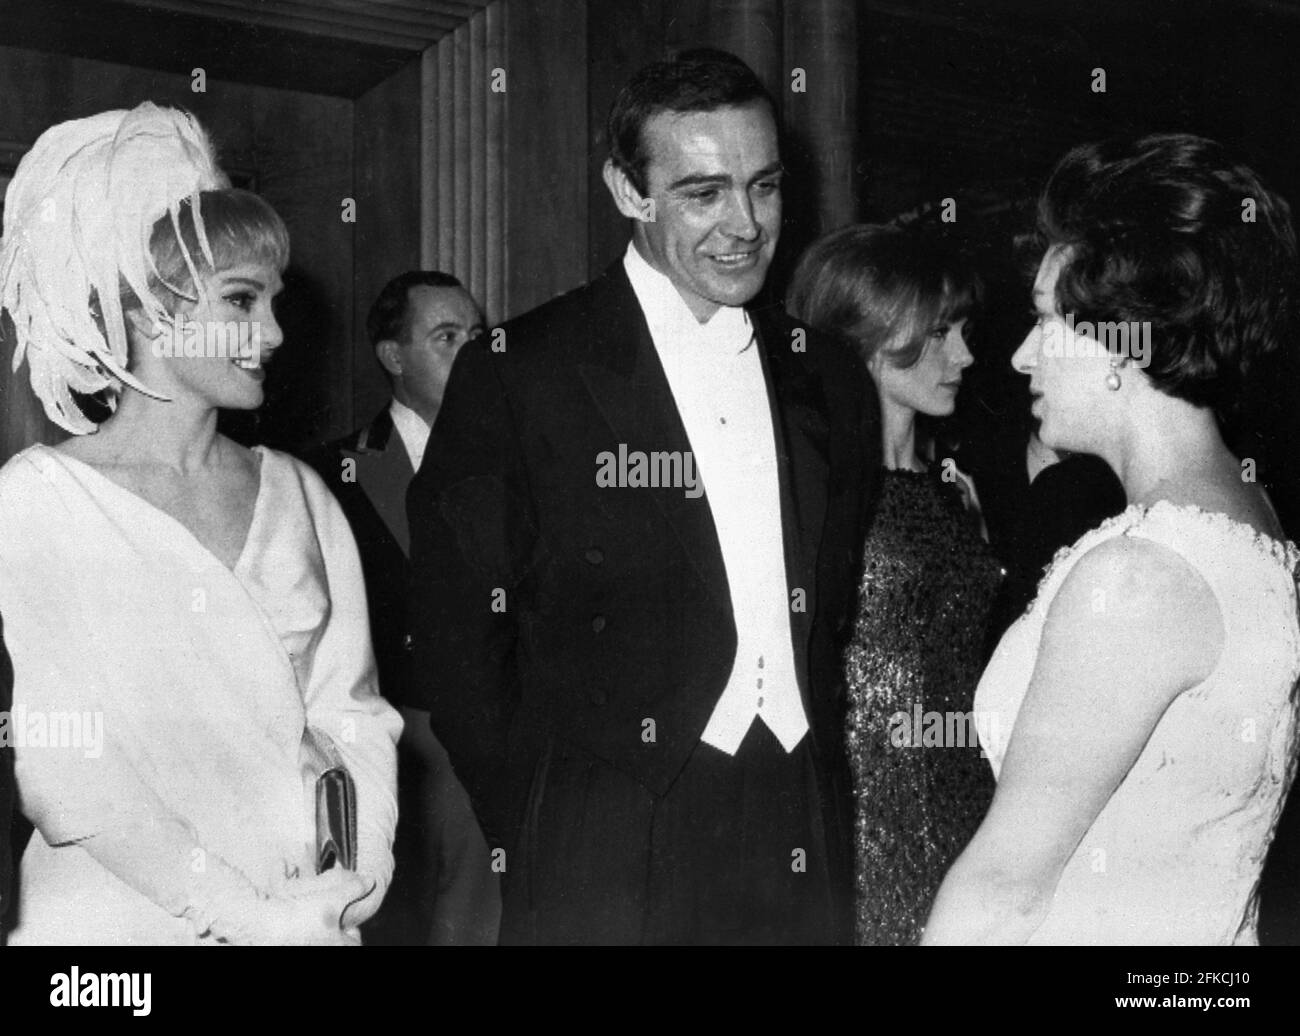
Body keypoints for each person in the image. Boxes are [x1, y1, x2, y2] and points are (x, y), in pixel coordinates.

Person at [407, 49, 879, 945]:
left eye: (766, 187)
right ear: (629, 193)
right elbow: (459, 639)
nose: (745, 224)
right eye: (703, 193)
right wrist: (553, 822)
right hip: (605, 843)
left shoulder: (830, 376)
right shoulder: (523, 373)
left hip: (795, 824)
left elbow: (831, 612)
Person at [0, 103, 400, 945]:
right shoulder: (40, 501)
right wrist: (243, 918)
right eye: (243, 300)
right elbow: (65, 765)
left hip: (305, 919)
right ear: (148, 309)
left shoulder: (301, 493)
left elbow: (354, 716)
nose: (276, 332)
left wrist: (354, 884)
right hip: (116, 930)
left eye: (274, 300)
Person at [925, 133, 1300, 945]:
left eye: (1046, 320)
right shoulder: (1250, 520)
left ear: (1125, 340)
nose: (1022, 356)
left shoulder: (1138, 578)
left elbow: (1003, 893)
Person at [787, 222, 1002, 944]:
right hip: (861, 813)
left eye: (963, 330)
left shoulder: (956, 487)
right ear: (867, 338)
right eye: (941, 332)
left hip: (968, 798)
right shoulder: (810, 488)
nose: (965, 354)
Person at [306, 270, 499, 945]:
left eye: (478, 336)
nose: (471, 352)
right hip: (388, 744)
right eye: (447, 337)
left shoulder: (524, 463)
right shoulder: (330, 473)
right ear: (393, 357)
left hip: (496, 742)